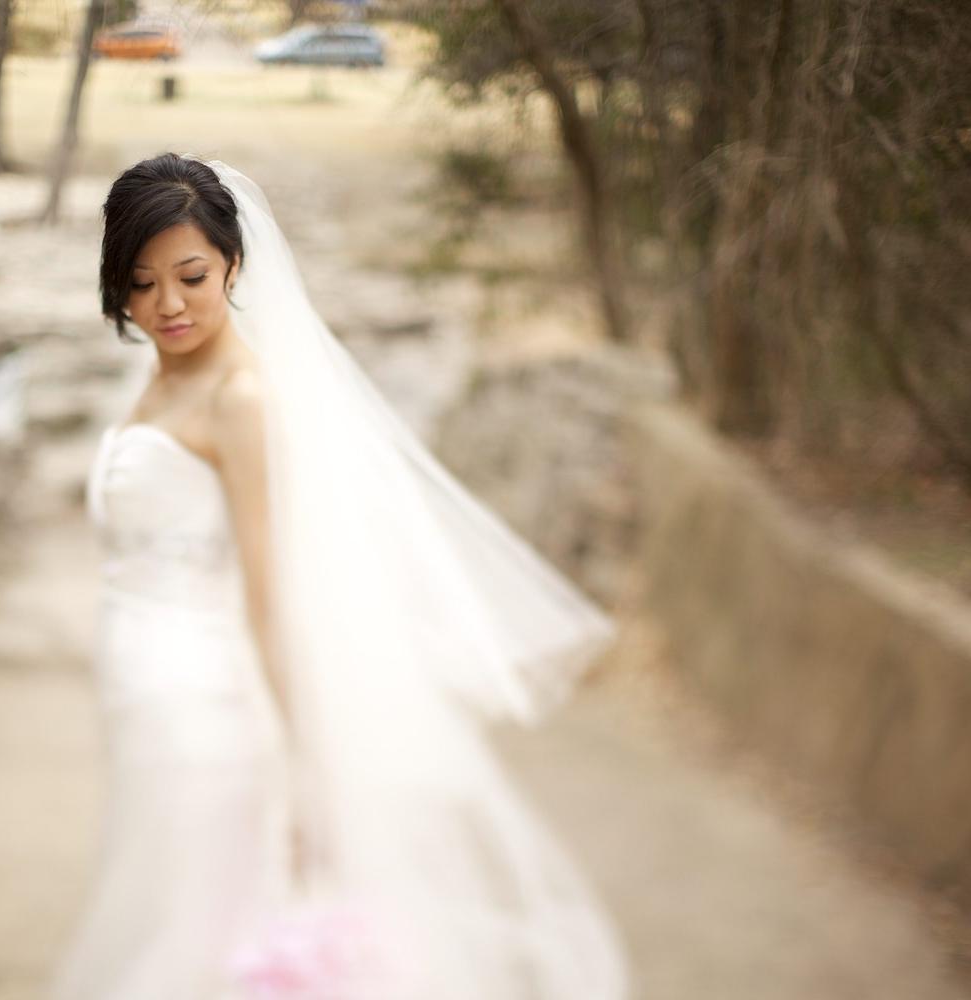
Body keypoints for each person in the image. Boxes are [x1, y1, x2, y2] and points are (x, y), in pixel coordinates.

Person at [45, 153, 630, 999]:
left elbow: (271, 596)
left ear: (234, 265)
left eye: (191, 276)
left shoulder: (240, 400)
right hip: (147, 703)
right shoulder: (165, 367)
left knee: (188, 938)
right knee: (182, 919)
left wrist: (309, 771)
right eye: (140, 282)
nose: (166, 305)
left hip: (203, 717)